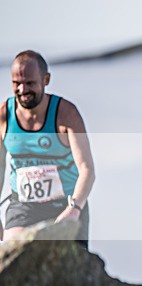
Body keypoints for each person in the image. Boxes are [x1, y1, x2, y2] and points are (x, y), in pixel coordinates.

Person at [1, 50, 95, 246]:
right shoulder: (4, 116)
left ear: (46, 79)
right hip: (23, 206)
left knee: (71, 268)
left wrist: (75, 208)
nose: (22, 90)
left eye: (30, 83)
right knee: (15, 251)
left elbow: (87, 169)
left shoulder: (66, 115)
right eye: (16, 83)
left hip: (66, 203)